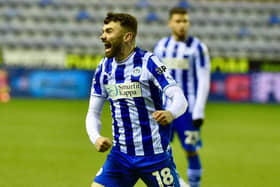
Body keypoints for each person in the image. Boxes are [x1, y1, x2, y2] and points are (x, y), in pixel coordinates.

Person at [86, 12, 188, 187]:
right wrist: (96, 137)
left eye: (109, 31)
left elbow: (179, 98)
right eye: (103, 31)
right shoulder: (103, 67)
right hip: (120, 157)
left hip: (154, 156)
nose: (103, 36)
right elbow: (93, 112)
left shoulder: (149, 62)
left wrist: (170, 113)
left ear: (127, 36)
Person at [154, 7, 211, 187]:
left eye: (185, 21)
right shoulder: (161, 47)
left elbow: (203, 78)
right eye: (178, 21)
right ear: (170, 23)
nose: (182, 25)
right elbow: (156, 76)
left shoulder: (198, 48)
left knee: (191, 151)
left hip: (188, 110)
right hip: (165, 109)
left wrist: (199, 110)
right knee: (159, 152)